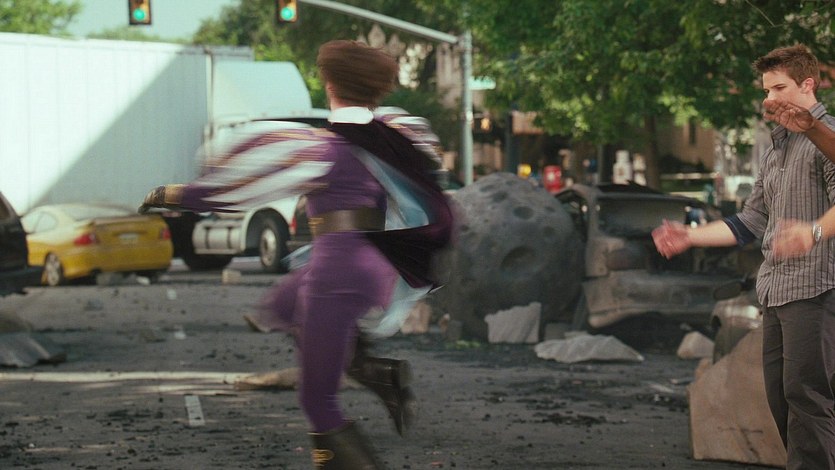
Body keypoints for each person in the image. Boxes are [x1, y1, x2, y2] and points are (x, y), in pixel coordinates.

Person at [140, 40, 453, 469]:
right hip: (371, 261)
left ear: (329, 84)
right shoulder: (393, 137)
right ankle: (375, 372)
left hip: (337, 268)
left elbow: (234, 189)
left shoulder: (323, 148)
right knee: (285, 306)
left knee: (317, 398)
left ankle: (364, 392)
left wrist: (170, 194)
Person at [652, 44, 835, 470]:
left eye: (779, 88)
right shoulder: (776, 150)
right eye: (766, 90)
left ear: (808, 84)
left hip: (817, 286)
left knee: (807, 398)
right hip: (776, 290)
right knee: (782, 398)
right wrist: (690, 236)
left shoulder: (826, 138)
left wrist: (813, 232)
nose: (769, 99)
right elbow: (751, 220)